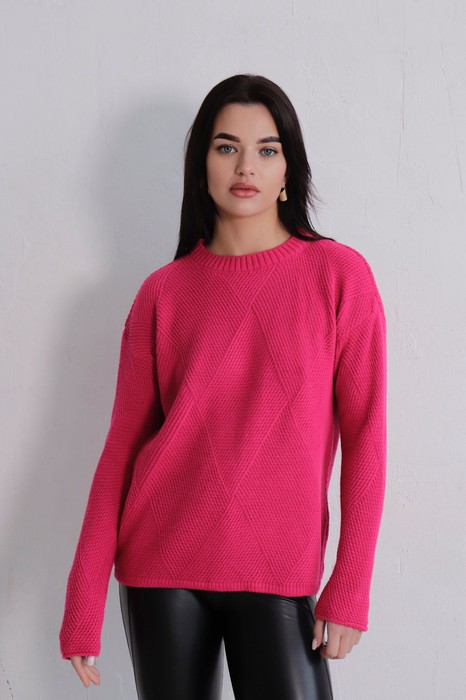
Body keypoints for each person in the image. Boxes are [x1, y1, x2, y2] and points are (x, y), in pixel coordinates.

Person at [59, 74, 387, 699]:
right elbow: (121, 450)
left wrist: (351, 584)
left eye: (267, 149)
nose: (246, 166)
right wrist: (83, 599)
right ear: (201, 166)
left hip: (280, 569)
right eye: (226, 146)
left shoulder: (338, 276)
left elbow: (366, 435)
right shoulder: (163, 293)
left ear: (288, 169)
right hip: (161, 569)